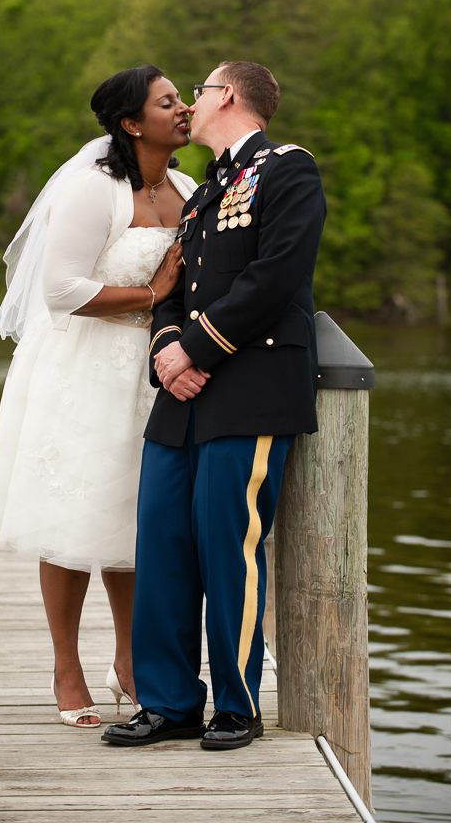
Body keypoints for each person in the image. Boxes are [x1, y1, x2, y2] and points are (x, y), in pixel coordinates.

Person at [102, 61, 326, 749]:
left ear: (226, 96)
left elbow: (275, 274)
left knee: (231, 550)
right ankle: (168, 704)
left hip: (249, 392)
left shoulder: (285, 170)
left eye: (197, 92)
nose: (188, 105)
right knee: (162, 547)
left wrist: (193, 349)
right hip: (182, 399)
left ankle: (235, 706)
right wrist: (170, 349)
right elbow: (170, 289)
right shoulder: (203, 195)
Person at [0, 65, 197, 728]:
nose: (184, 108)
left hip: (154, 374)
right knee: (71, 519)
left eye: (183, 97)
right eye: (167, 102)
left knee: (137, 521)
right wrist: (153, 294)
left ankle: (129, 661)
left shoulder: (185, 187)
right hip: (85, 368)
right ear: (132, 123)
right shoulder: (89, 190)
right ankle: (66, 669)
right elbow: (62, 291)